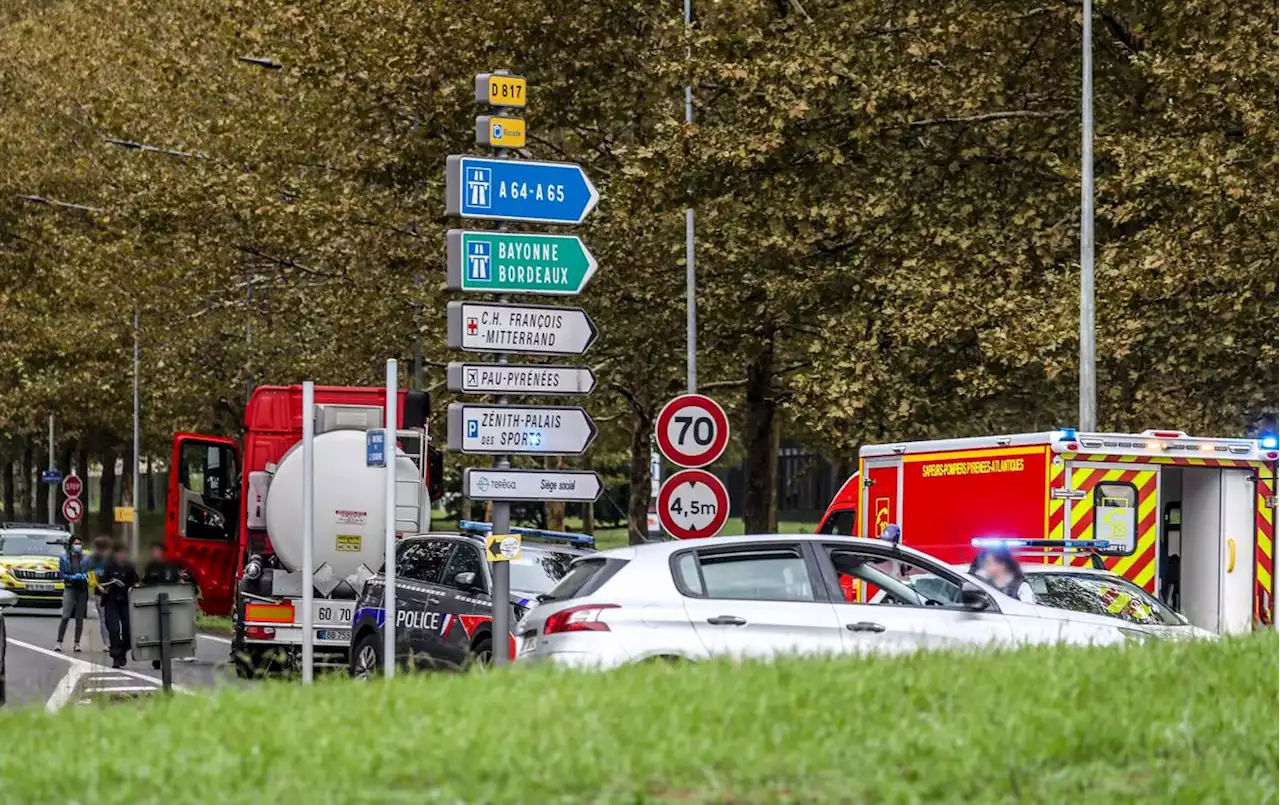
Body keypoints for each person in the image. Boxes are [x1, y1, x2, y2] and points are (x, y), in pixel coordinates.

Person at [99, 547, 139, 668]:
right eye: (118, 553)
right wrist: (104, 589)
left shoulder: (130, 567)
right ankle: (116, 656)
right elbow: (101, 583)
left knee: (128, 631)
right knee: (113, 628)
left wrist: (128, 586)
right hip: (111, 600)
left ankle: (122, 651)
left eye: (123, 553)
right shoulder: (108, 567)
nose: (120, 556)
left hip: (126, 601)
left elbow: (136, 583)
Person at [55, 537, 91, 652]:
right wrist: (71, 577)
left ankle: (77, 643)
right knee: (65, 615)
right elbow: (61, 574)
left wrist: (85, 576)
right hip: (70, 588)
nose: (78, 546)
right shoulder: (64, 558)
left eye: (80, 543)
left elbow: (90, 572)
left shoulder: (86, 558)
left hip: (82, 589)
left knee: (79, 617)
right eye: (76, 543)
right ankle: (59, 642)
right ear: (71, 545)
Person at [972, 547, 1036, 603]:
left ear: (1002, 565)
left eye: (989, 563)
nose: (986, 567)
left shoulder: (1021, 587)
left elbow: (1030, 610)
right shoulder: (982, 585)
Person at [88, 536, 113, 650]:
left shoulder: (111, 559)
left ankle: (113, 640)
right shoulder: (93, 560)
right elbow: (91, 576)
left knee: (111, 618)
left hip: (112, 591)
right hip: (99, 592)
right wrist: (98, 586)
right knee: (103, 617)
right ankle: (106, 643)